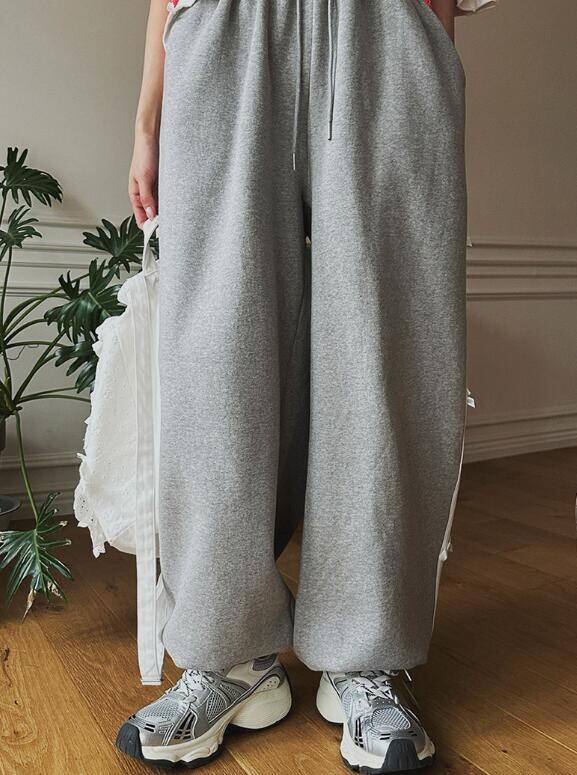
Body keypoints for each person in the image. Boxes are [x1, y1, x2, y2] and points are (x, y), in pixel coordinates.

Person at [118, 0, 494, 771]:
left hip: (384, 27)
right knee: (212, 362)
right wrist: (148, 116)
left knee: (384, 352)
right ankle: (229, 656)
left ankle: (364, 652)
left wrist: (432, 27)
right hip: (222, 31)